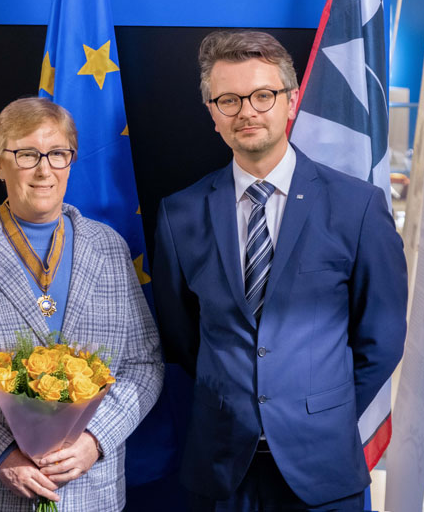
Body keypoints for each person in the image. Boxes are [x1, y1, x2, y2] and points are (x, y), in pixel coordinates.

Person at [153, 30, 407, 511]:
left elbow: (383, 336)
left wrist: (318, 411)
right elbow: (183, 337)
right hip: (222, 469)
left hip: (323, 467)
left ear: (290, 102)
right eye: (228, 99)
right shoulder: (178, 213)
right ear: (212, 113)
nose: (247, 111)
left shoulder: (356, 206)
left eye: (263, 95)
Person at [0, 97, 162, 511]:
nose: (44, 169)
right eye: (27, 154)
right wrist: (2, 454)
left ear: (71, 161)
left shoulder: (111, 249)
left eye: (57, 154)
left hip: (89, 491)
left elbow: (144, 365)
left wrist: (95, 441)